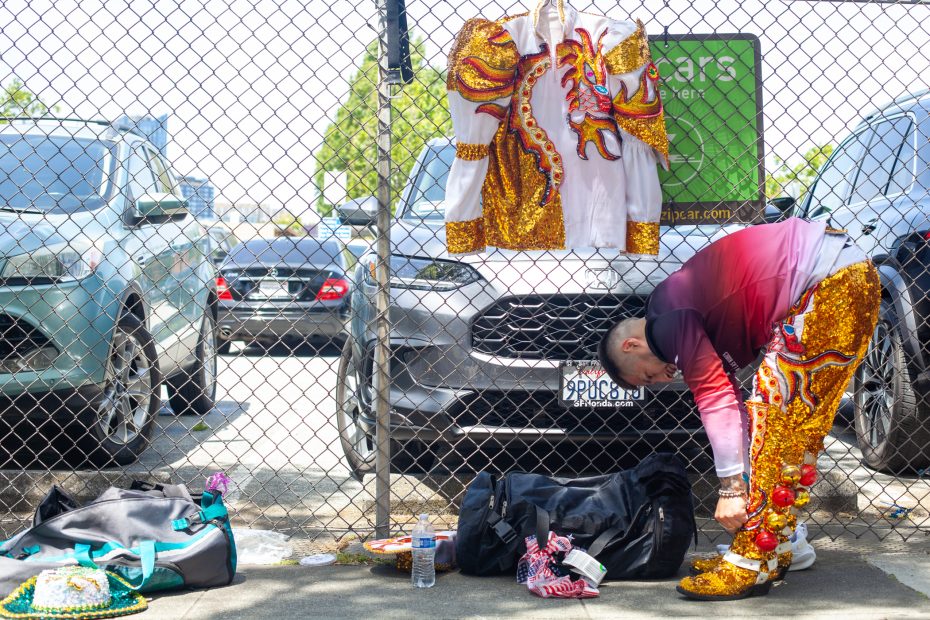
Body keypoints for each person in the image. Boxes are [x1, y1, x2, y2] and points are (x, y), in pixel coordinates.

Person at [597, 217, 880, 600]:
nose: (660, 380)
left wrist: (732, 489)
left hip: (827, 281)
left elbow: (714, 398)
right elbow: (735, 413)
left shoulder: (665, 321)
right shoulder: (684, 309)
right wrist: (743, 482)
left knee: (775, 412)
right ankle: (774, 545)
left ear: (630, 347)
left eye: (645, 377)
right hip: (848, 278)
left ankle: (751, 562)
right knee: (792, 426)